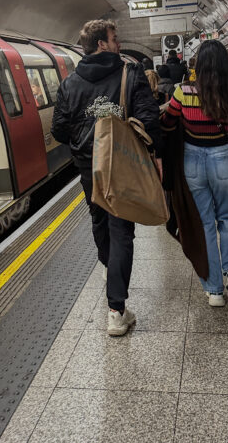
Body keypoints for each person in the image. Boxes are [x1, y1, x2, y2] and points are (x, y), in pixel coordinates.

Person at [51, 20, 162, 336]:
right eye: (114, 39)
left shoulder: (70, 83)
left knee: (99, 222)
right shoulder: (131, 72)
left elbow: (59, 129)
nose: (118, 43)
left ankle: (109, 270)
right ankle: (116, 310)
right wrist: (155, 154)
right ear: (101, 44)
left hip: (89, 168)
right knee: (122, 231)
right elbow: (148, 117)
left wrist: (83, 139)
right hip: (122, 165)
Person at [161, 40, 228, 305]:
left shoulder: (184, 92)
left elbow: (167, 123)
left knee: (205, 223)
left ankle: (213, 291)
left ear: (198, 65)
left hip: (193, 160)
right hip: (222, 157)